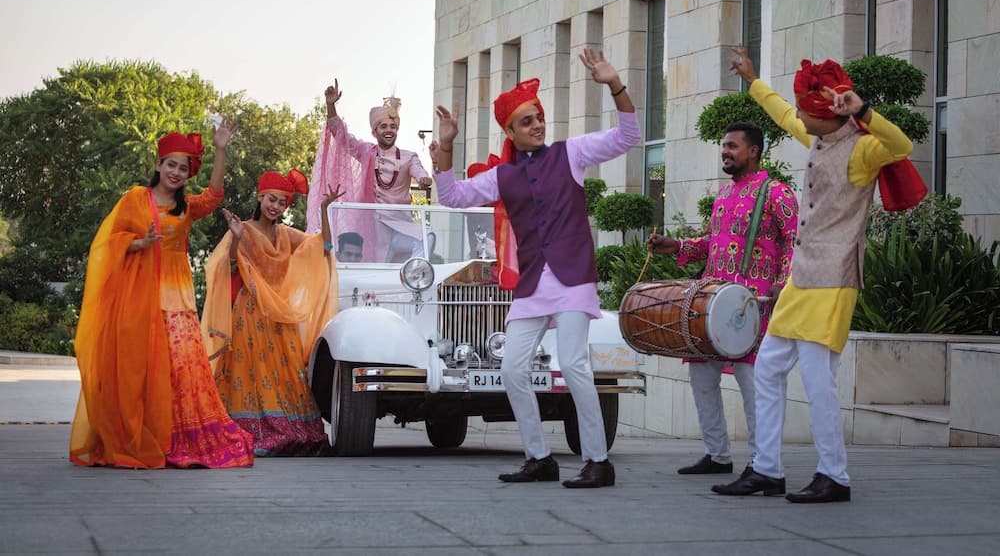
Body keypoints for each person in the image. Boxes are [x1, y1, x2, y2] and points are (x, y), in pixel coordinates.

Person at [712, 46, 914, 503]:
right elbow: (785, 115)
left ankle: (834, 476)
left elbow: (902, 146)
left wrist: (863, 108)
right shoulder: (819, 138)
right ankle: (767, 469)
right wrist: (753, 81)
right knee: (768, 367)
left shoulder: (863, 149)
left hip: (835, 277)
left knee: (819, 378)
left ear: (827, 115)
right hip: (802, 277)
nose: (799, 118)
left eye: (806, 111)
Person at [431, 48, 640, 488]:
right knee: (512, 369)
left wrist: (614, 84)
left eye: (539, 117)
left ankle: (598, 461)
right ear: (510, 131)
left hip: (573, 278)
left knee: (575, 365)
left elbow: (628, 137)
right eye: (527, 121)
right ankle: (540, 458)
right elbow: (451, 197)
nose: (538, 125)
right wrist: (446, 146)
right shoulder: (502, 177)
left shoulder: (571, 153)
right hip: (532, 285)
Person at [70, 122, 255, 469]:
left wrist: (221, 149)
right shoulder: (135, 199)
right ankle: (142, 436)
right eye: (171, 164)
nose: (176, 172)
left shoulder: (186, 208)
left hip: (178, 299)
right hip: (139, 297)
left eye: (183, 168)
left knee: (183, 369)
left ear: (187, 175)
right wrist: (140, 242)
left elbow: (214, 196)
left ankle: (178, 437)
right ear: (158, 164)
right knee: (140, 368)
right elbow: (109, 241)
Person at [648, 121, 798, 476]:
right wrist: (677, 245)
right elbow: (712, 244)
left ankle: (762, 463)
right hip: (711, 303)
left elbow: (796, 241)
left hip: (754, 305)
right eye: (724, 147)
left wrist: (783, 283)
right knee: (702, 376)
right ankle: (717, 455)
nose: (725, 152)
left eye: (732, 146)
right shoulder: (724, 194)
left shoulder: (777, 192)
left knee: (753, 383)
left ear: (753, 151)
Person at [201, 171, 342, 456]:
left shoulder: (286, 235)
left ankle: (288, 428)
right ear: (260, 197)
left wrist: (325, 209)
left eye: (281, 202)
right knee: (249, 374)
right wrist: (236, 238)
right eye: (271, 199)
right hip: (249, 314)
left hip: (279, 318)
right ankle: (249, 429)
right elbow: (229, 267)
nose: (275, 206)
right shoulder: (242, 228)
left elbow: (325, 247)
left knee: (288, 375)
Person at [306, 81, 433, 262]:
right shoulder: (366, 151)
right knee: (373, 267)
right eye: (383, 126)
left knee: (427, 237)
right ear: (374, 132)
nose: (389, 130)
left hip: (399, 225)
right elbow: (341, 136)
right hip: (372, 226)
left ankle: (416, 270)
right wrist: (330, 106)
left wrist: (423, 179)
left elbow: (419, 171)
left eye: (392, 126)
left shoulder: (408, 157)